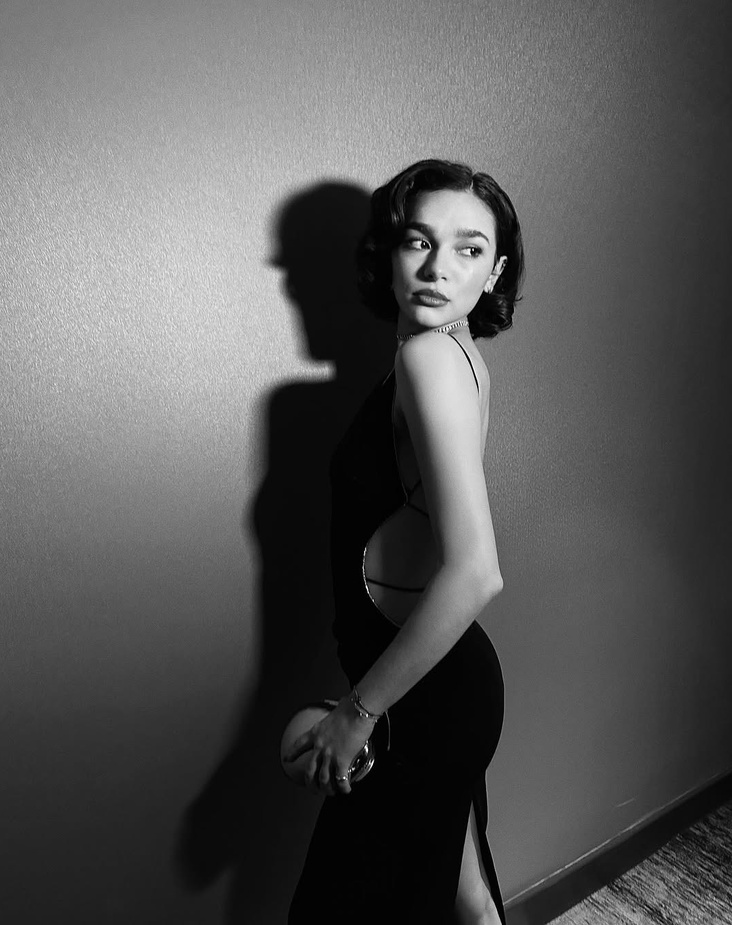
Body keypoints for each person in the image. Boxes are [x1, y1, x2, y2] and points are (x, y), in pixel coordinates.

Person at [285, 159, 524, 925]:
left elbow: (475, 570)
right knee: (466, 902)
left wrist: (359, 710)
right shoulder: (459, 357)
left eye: (469, 248)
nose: (437, 266)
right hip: (438, 679)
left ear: (495, 272)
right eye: (419, 240)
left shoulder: (428, 360)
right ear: (388, 252)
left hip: (417, 699)